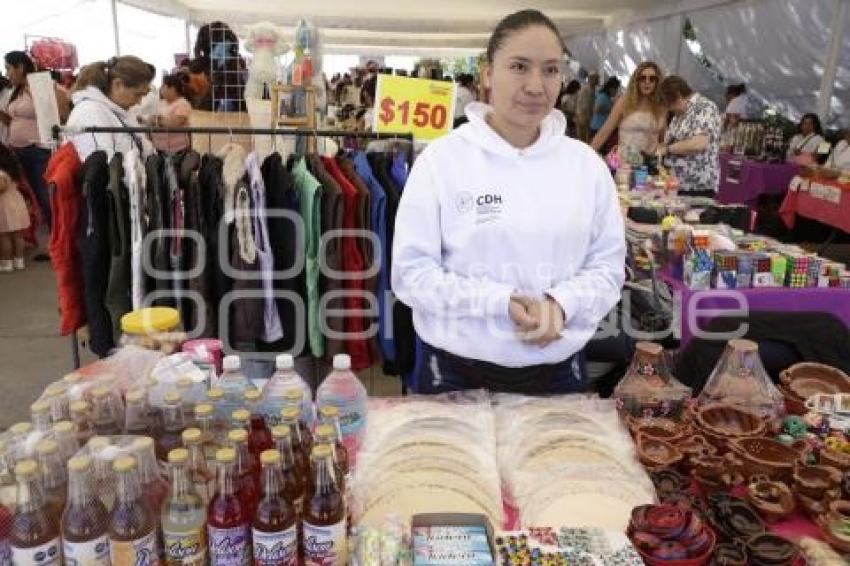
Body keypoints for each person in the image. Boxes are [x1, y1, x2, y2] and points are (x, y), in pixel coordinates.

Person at [391, 9, 626, 395]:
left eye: (550, 70)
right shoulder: (442, 162)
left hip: (559, 370)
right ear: (487, 73)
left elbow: (608, 267)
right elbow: (412, 274)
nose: (536, 85)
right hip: (453, 368)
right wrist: (497, 301)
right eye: (519, 66)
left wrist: (562, 303)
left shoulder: (585, 166)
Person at [1, 51, 69, 232]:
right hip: (19, 150)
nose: (7, 73)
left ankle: (59, 238)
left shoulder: (38, 86)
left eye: (8, 68)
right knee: (37, 198)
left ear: (20, 67)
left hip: (38, 150)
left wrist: (40, 93)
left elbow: (59, 112)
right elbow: (13, 121)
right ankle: (52, 237)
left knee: (45, 196)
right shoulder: (16, 92)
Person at [66, 56, 155, 161]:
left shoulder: (121, 110)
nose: (139, 102)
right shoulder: (90, 113)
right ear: (118, 84)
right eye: (137, 95)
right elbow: (103, 167)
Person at [656, 76, 722, 196]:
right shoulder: (679, 113)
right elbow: (670, 141)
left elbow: (699, 143)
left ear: (678, 95)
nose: (668, 109)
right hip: (677, 186)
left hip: (697, 188)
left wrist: (668, 149)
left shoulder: (704, 107)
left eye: (668, 104)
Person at [590, 62, 666, 156]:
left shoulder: (662, 107)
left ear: (657, 82)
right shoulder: (624, 102)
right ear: (636, 81)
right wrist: (586, 158)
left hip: (649, 166)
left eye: (652, 78)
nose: (647, 81)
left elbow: (663, 140)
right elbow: (603, 133)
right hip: (624, 165)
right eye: (642, 78)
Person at [142, 72, 192, 153]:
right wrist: (144, 120)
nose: (161, 90)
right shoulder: (161, 103)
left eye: (163, 87)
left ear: (172, 89)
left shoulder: (182, 104)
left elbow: (174, 123)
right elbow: (152, 119)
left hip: (177, 149)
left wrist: (156, 120)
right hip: (159, 146)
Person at [0, 144, 31, 271]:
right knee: (18, 235)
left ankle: (7, 262)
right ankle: (19, 260)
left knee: (4, 236)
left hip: (4, 206)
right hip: (17, 203)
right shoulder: (12, 170)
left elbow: (1, 187)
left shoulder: (1, 172)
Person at [589, 77, 621, 142]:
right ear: (611, 88)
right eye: (616, 90)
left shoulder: (607, 97)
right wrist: (609, 110)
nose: (616, 92)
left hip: (600, 128)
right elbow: (596, 109)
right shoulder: (603, 96)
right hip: (597, 128)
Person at [575, 71, 599, 142]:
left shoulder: (594, 90)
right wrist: (582, 117)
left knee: (586, 138)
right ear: (591, 79)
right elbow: (582, 105)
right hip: (583, 117)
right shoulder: (585, 89)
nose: (598, 80)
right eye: (597, 79)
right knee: (582, 138)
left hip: (588, 117)